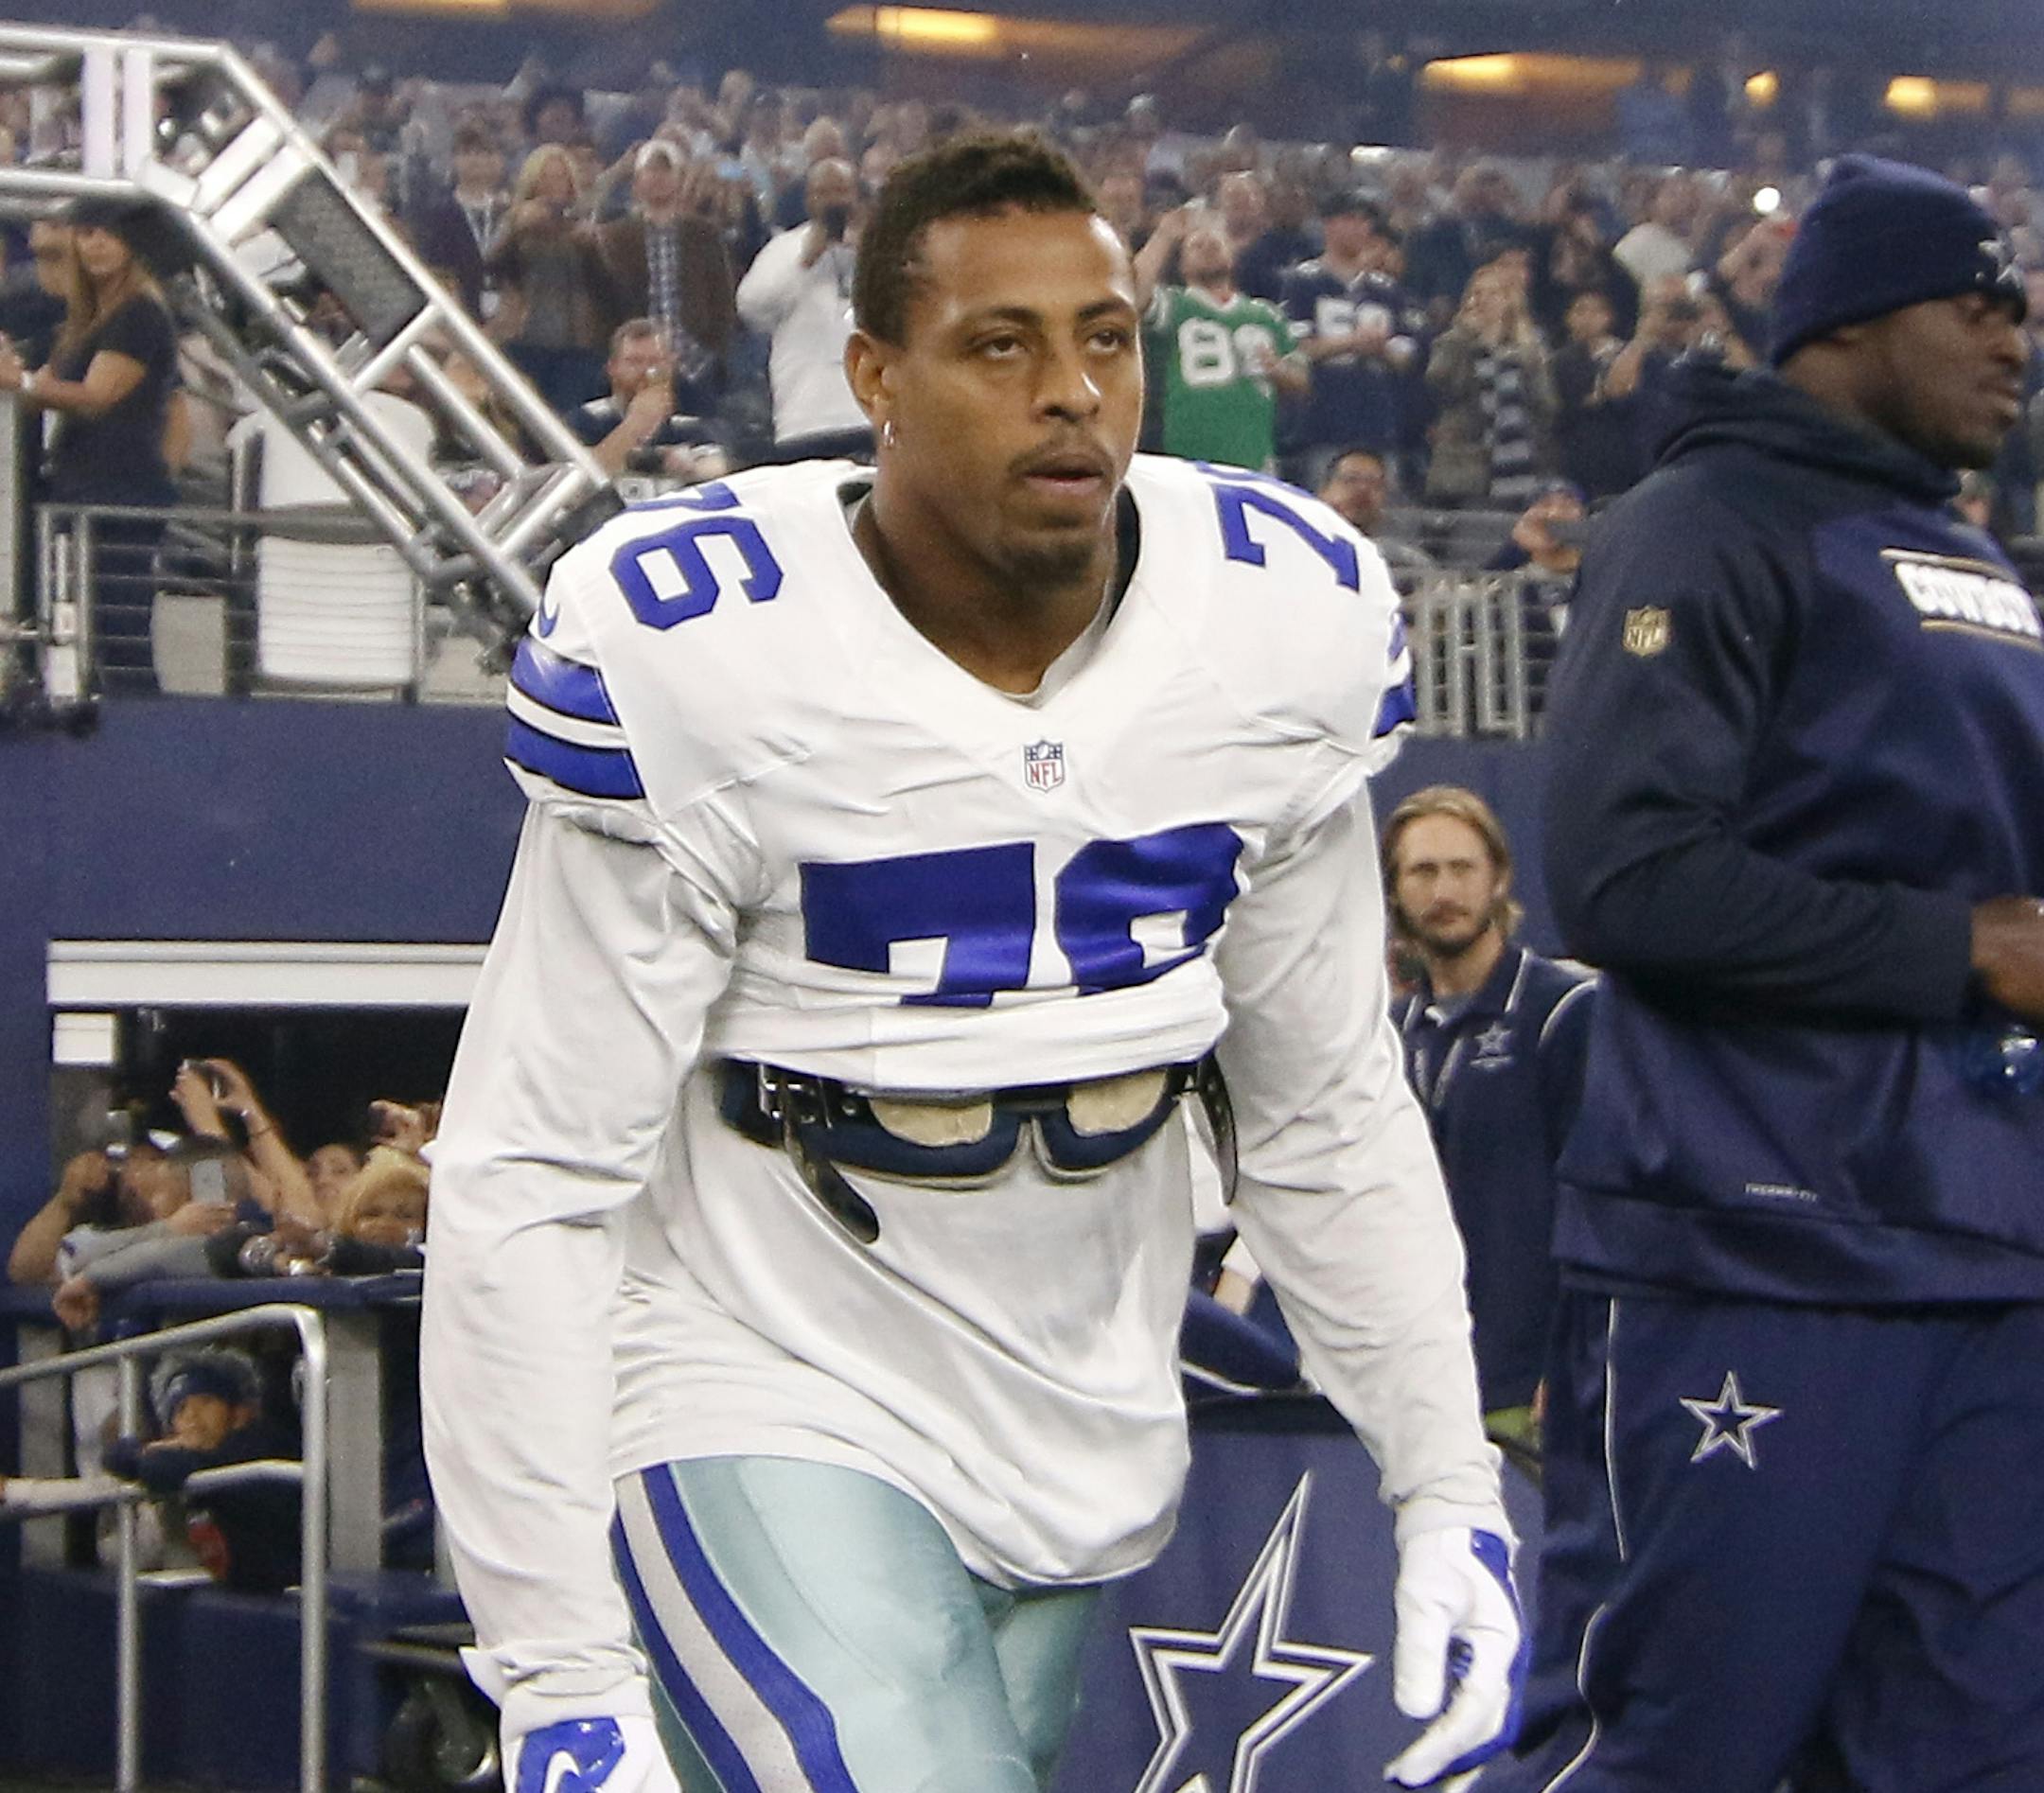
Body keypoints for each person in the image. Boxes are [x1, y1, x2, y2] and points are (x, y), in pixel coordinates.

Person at [421, 132, 1523, 1793]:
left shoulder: (1276, 629)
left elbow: (1324, 1118)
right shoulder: (705, 654)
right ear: (875, 375)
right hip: (753, 1367)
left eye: (1104, 337)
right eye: (999, 346)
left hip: (1076, 1411)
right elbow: (534, 1176)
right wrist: (558, 1668)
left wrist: (1447, 1480)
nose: (1072, 392)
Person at [1493, 155, 2044, 1792]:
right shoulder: (1701, 519)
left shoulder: (1981, 570)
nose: (2016, 337)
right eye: (1979, 299)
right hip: (1757, 1244)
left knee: (1973, 1759)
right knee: (1674, 1750)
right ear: (1854, 321)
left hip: (1983, 1250)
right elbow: (1622, 875)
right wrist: (1964, 950)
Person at [1383, 788, 1594, 1474]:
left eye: (1462, 868)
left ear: (1499, 876)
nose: (1444, 889)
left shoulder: (1561, 1011)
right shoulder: (1389, 1038)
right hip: (1418, 1390)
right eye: (1422, 871)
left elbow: (1602, 1200)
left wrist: (1573, 1356)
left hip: (1532, 1389)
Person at [0, 197, 180, 694]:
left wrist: (23, 383)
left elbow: (97, 396)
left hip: (120, 496)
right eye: (87, 233)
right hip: (79, 491)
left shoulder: (140, 313)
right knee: (80, 632)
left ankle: (142, 735)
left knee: (118, 634)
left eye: (108, 234)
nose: (95, 244)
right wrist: (17, 370)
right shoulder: (88, 318)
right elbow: (47, 387)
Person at [1135, 207, 1306, 471]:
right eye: (1197, 245)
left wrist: (1279, 371)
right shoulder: (1174, 304)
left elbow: (1302, 378)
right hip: (1188, 458)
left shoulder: (1266, 313)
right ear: (1181, 264)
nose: (1208, 246)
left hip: (1254, 454)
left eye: (1215, 242)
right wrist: (1164, 236)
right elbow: (1131, 294)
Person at [733, 156, 872, 456]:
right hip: (804, 417)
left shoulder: (879, 246)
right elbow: (751, 308)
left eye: (841, 191)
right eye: (823, 192)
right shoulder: (784, 248)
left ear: (856, 196)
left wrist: (869, 252)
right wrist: (805, 261)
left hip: (868, 414)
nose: (833, 201)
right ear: (809, 199)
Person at [593, 141, 738, 392]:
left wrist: (714, 350)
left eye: (666, 171)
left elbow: (722, 297)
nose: (659, 178)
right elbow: (603, 300)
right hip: (636, 364)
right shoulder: (613, 236)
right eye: (651, 171)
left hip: (695, 364)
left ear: (680, 180)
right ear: (636, 183)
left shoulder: (705, 234)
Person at [486, 145, 619, 416]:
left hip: (576, 343)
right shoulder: (514, 219)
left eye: (559, 178)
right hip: (524, 336)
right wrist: (516, 231)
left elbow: (608, 287)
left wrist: (593, 248)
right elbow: (491, 267)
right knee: (523, 416)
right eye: (545, 178)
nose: (552, 185)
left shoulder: (584, 221)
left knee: (566, 417)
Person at [1424, 260, 1558, 506]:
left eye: (1493, 293)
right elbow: (1439, 384)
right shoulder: (1452, 342)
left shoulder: (1528, 351)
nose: (1483, 300)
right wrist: (1463, 337)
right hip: (1464, 466)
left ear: (1509, 301)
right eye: (1477, 293)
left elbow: (1545, 405)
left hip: (1521, 464)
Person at [569, 319, 726, 483]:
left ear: (671, 367)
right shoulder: (587, 420)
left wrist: (692, 468)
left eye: (656, 362)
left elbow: (723, 464)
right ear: (612, 368)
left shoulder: (688, 424)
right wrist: (636, 423)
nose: (647, 371)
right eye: (634, 362)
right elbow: (580, 479)